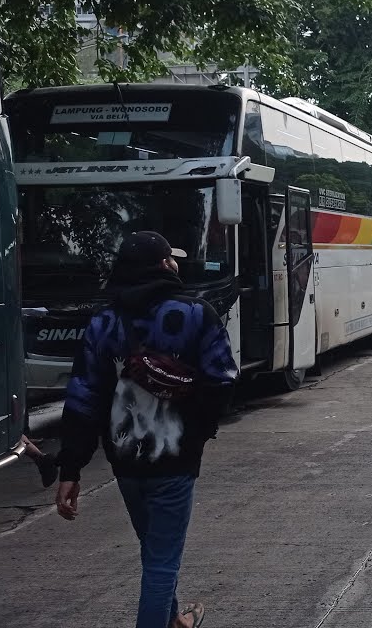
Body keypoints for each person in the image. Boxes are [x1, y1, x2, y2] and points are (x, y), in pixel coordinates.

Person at [56, 231, 237, 628]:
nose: (175, 263)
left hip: (125, 462)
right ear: (163, 266)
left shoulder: (103, 322)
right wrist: (196, 433)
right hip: (174, 461)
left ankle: (175, 619)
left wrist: (71, 468)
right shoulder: (195, 314)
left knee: (155, 551)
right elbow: (222, 382)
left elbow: (83, 397)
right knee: (160, 562)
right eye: (169, 258)